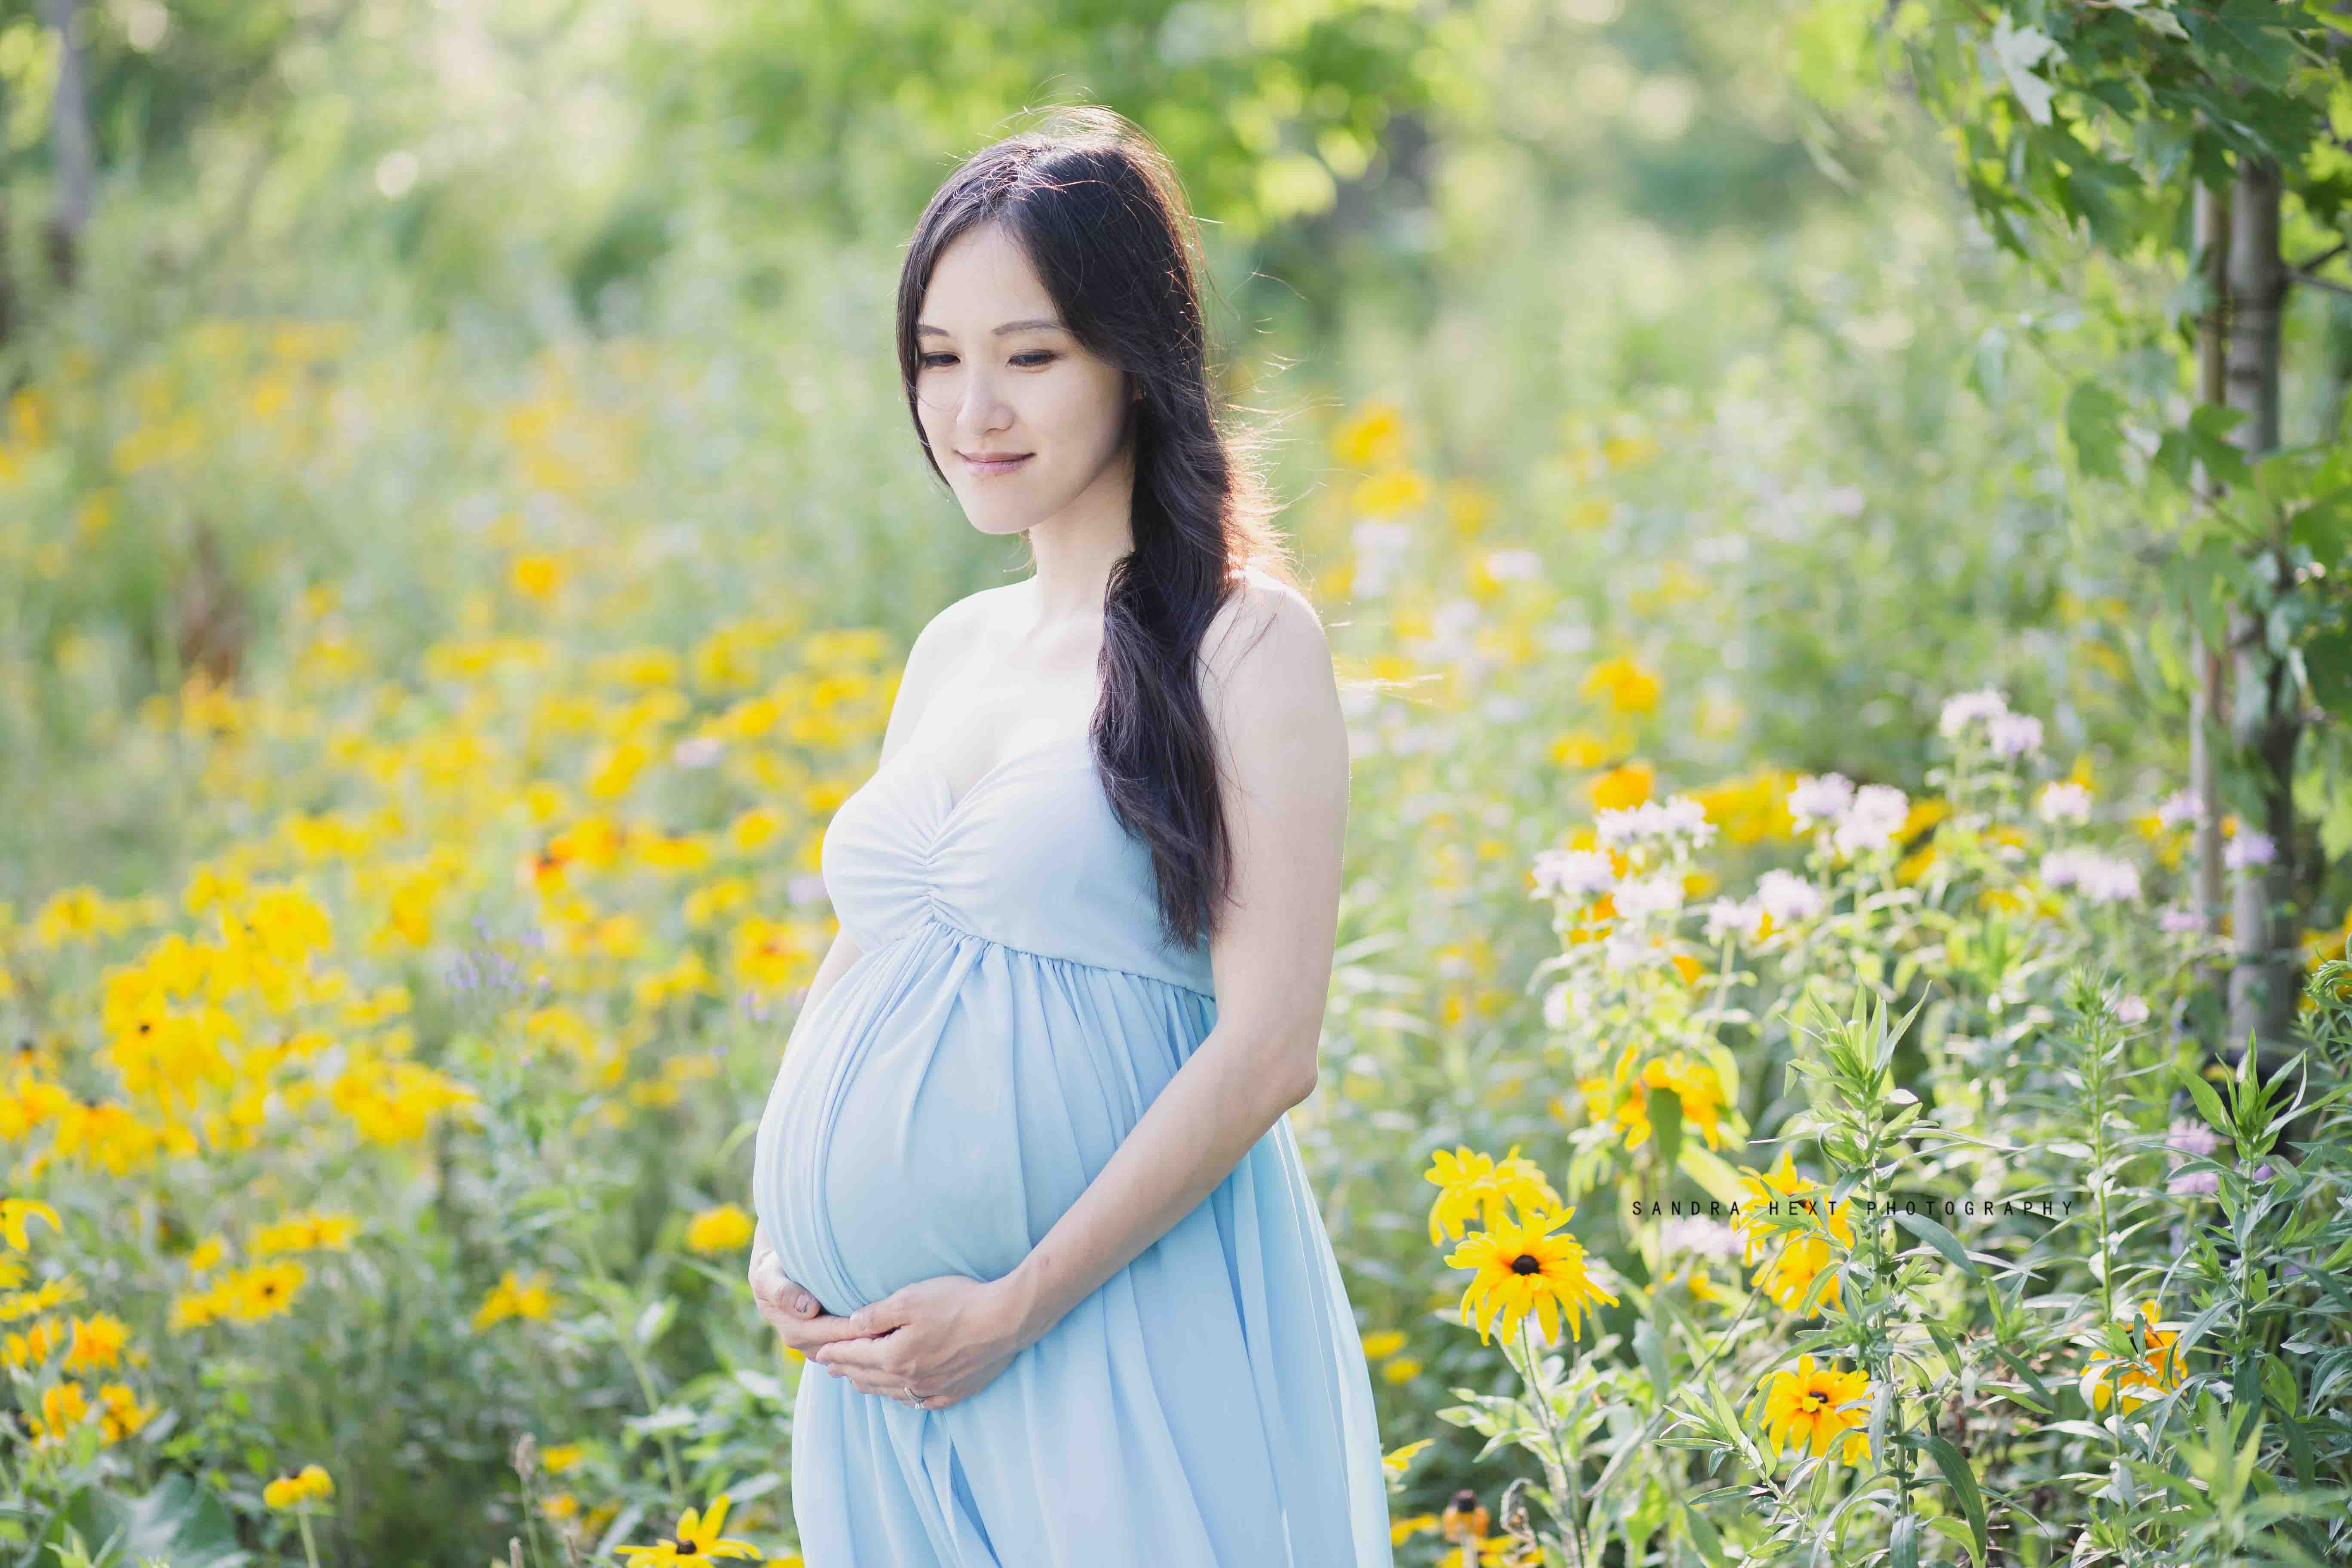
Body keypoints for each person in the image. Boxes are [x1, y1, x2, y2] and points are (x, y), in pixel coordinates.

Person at [744, 105, 1395, 1567]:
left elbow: (1270, 1046)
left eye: (1029, 357)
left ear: (1133, 362)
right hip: (884, 1384)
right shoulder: (955, 647)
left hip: (1102, 1332)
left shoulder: (1244, 645)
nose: (974, 411)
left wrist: (1017, 1303)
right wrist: (783, 1230)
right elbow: (873, 959)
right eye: (938, 359)